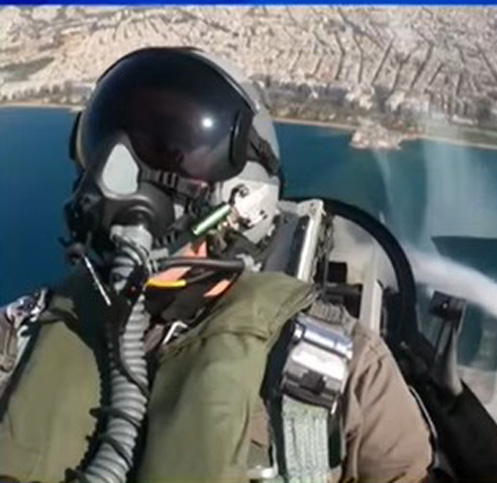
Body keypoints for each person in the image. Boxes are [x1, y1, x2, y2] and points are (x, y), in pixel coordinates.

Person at [0, 47, 432, 483]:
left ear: (243, 198)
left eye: (167, 150)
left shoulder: (345, 371)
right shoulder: (19, 339)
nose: (113, 175)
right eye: (105, 142)